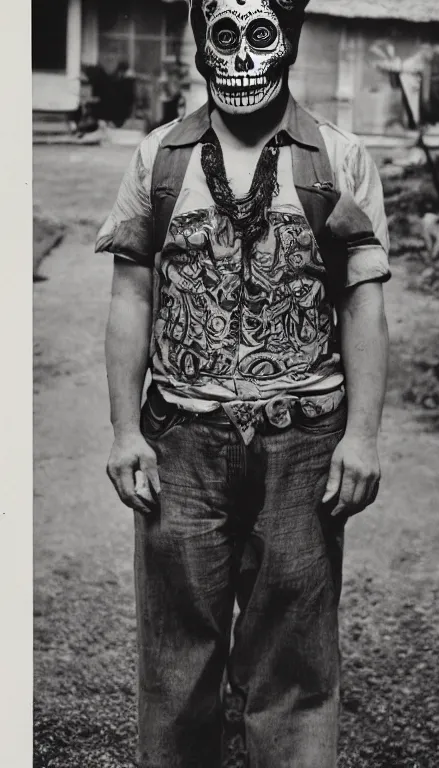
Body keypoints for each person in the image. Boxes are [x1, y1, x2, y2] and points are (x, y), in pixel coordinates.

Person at [96, 1, 390, 766]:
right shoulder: (159, 158)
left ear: (288, 41)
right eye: (222, 34)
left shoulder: (338, 158)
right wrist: (127, 430)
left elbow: (365, 302)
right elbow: (131, 296)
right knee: (176, 658)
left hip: (303, 445)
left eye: (260, 34)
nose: (240, 54)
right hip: (182, 442)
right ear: (200, 43)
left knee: (293, 658)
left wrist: (360, 436)